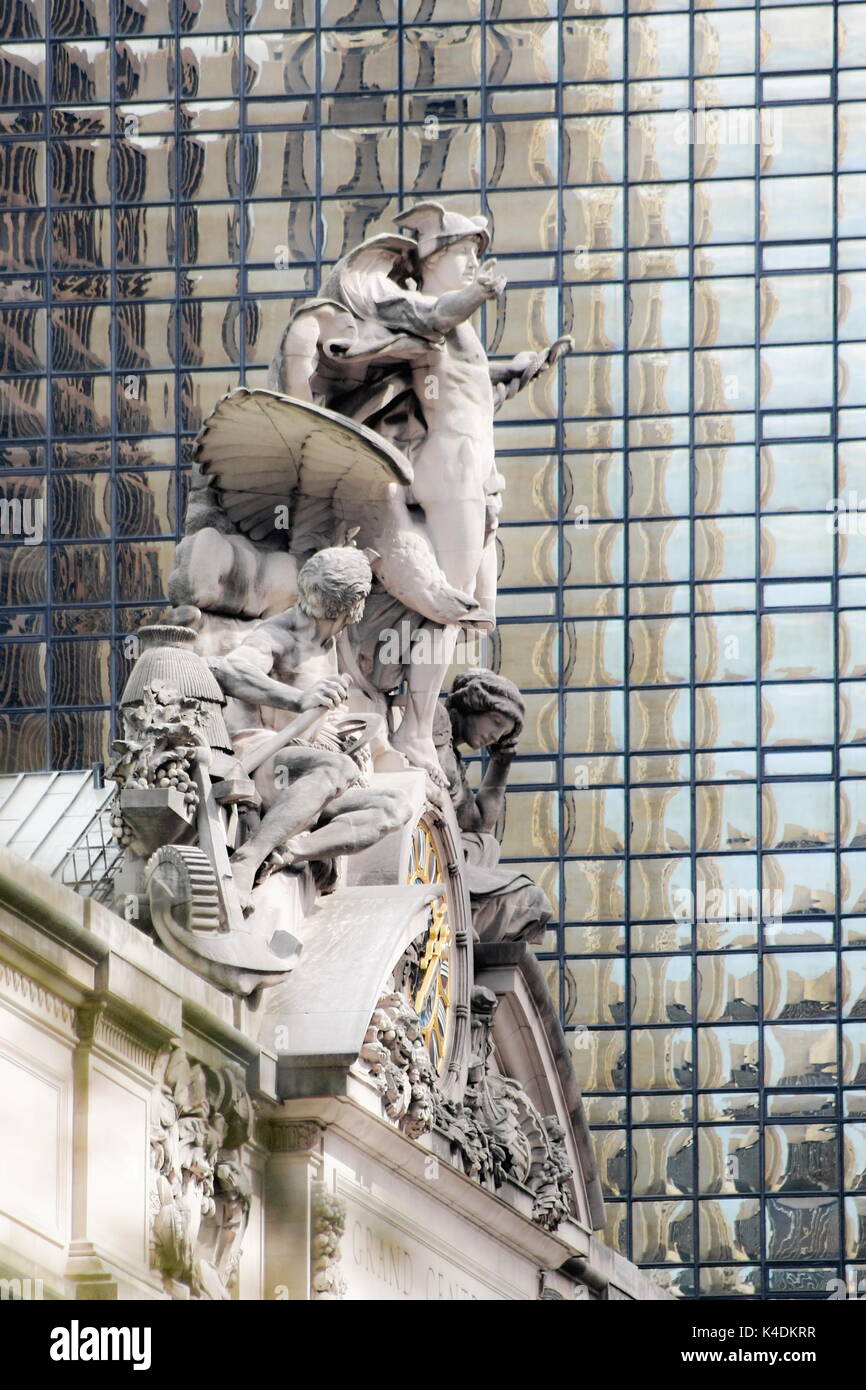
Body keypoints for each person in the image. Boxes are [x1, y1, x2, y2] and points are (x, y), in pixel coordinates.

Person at [208, 546, 412, 909]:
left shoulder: (327, 641)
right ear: (356, 606)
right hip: (266, 764)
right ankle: (249, 858)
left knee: (395, 807)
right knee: (338, 768)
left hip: (308, 783)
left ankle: (289, 851)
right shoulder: (278, 634)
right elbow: (229, 671)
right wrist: (297, 699)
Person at [434, 669, 552, 944]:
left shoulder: (450, 752)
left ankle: (460, 909)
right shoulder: (435, 726)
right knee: (531, 900)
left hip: (442, 851)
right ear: (473, 703)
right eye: (496, 721)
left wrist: (502, 762)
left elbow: (480, 823)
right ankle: (458, 910)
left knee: (485, 845)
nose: (495, 735)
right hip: (424, 848)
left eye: (503, 732)